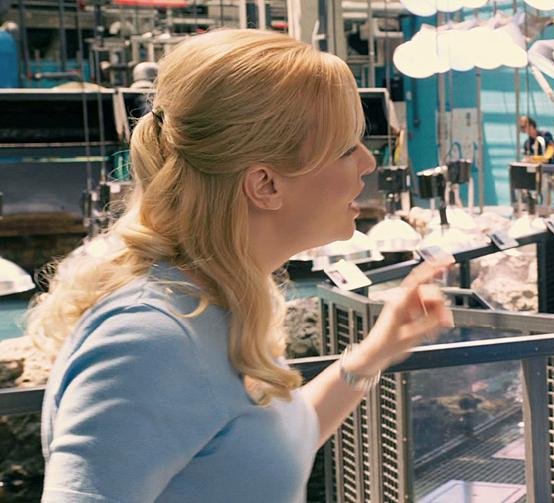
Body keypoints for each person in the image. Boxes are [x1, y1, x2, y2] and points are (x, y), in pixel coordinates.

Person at [27, 29, 453, 502]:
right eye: (346, 148)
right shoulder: (147, 339)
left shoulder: (213, 299)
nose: (369, 162)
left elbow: (259, 458)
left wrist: (374, 353)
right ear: (265, 185)